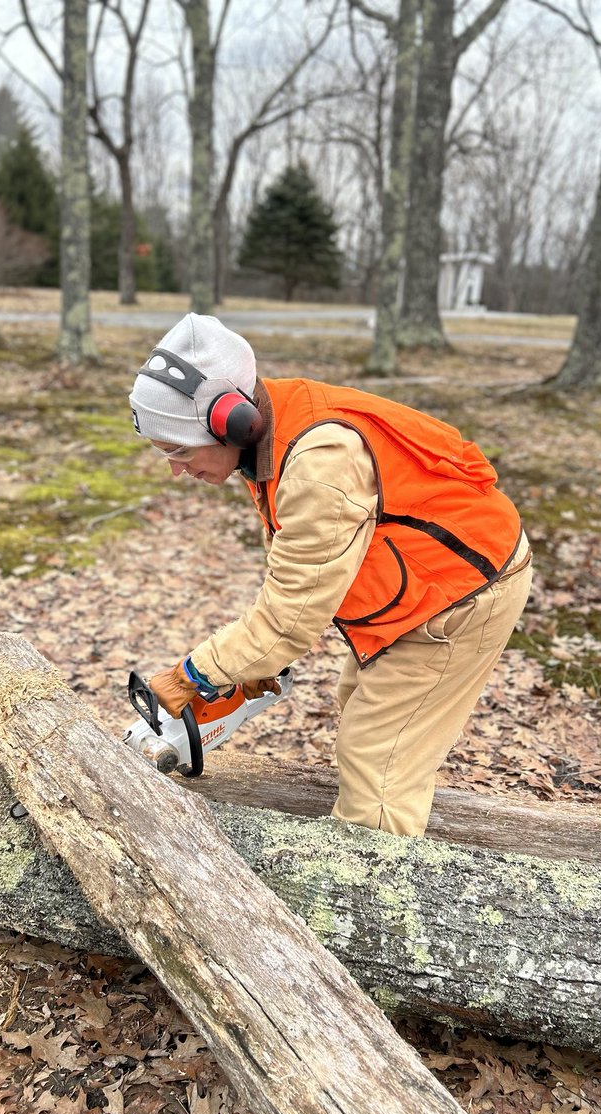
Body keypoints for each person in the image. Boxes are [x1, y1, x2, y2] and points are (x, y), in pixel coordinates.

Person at [128, 313, 532, 837]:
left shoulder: (320, 463)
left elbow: (288, 619)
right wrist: (247, 663)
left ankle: (372, 896)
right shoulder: (273, 430)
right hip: (415, 583)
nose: (175, 469)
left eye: (179, 449)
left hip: (462, 592)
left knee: (379, 759)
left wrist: (193, 676)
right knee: (360, 707)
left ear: (233, 421)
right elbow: (298, 577)